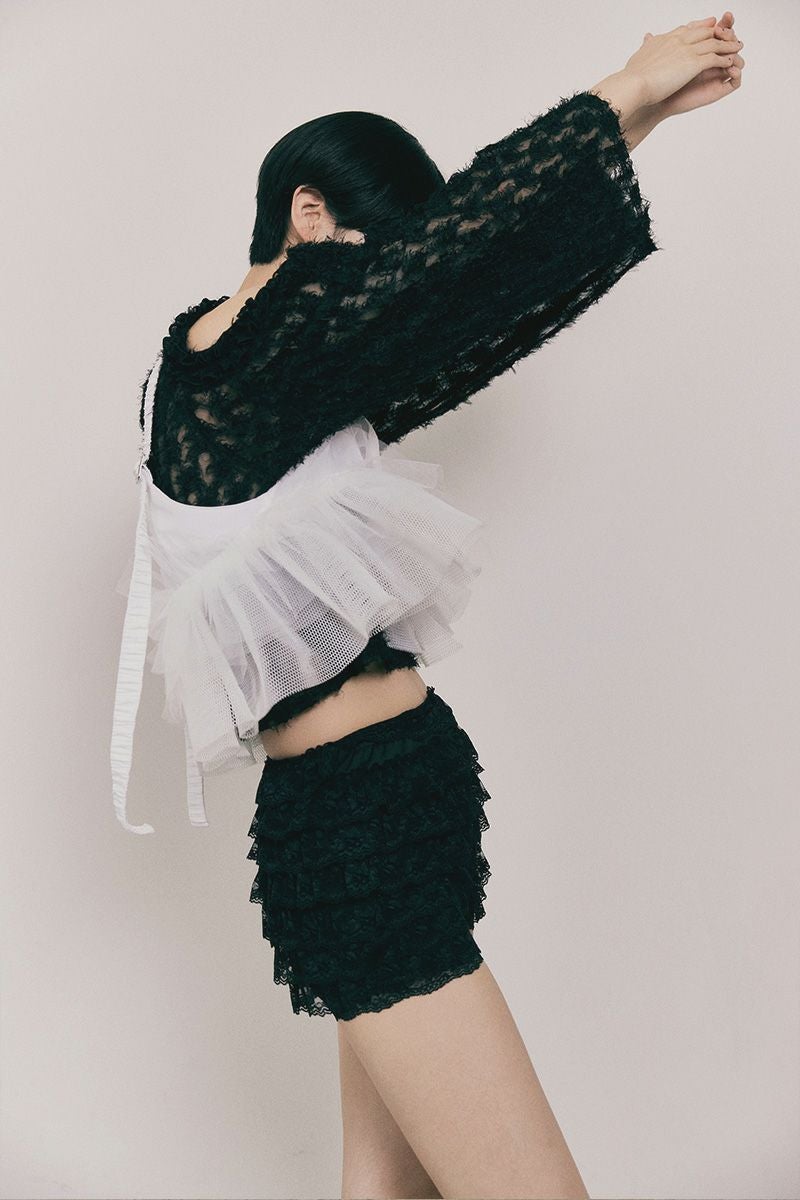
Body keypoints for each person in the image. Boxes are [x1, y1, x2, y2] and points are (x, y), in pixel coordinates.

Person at [112, 12, 744, 1198]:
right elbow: (446, 268)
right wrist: (619, 89)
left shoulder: (301, 379)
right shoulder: (243, 360)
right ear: (306, 214)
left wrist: (634, 123)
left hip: (389, 808)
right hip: (346, 834)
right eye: (377, 259)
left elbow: (473, 298)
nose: (386, 293)